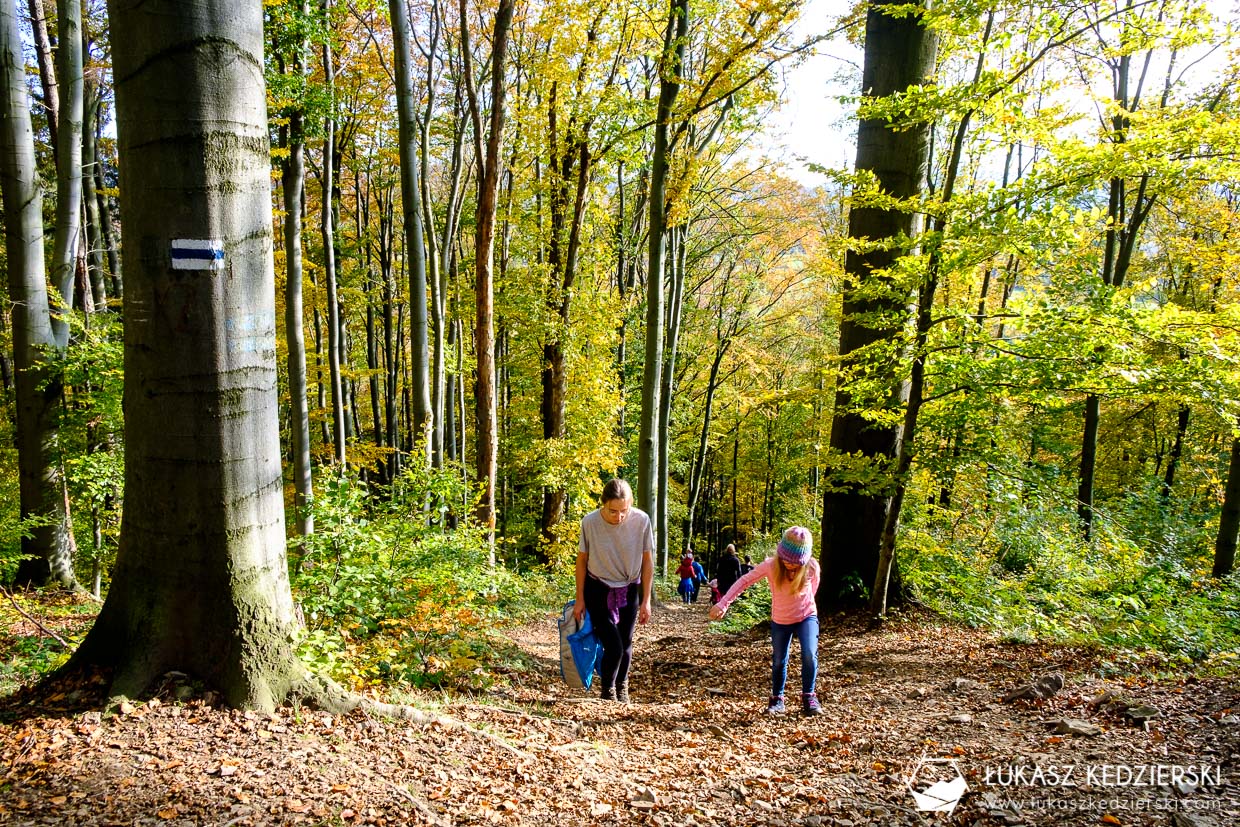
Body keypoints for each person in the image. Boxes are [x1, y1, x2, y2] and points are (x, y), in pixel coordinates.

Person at [708, 526, 822, 716]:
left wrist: (806, 608)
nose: (790, 566)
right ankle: (777, 699)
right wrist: (723, 603)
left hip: (807, 616)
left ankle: (809, 696)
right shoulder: (771, 565)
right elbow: (744, 581)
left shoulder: (812, 567)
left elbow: (813, 590)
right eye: (786, 560)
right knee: (779, 660)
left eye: (795, 563)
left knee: (809, 654)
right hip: (780, 619)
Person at [575, 479, 654, 703]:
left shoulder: (641, 521)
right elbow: (582, 561)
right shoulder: (589, 522)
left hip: (629, 588)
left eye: (624, 511)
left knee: (626, 641)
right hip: (597, 588)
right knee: (614, 644)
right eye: (613, 511)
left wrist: (646, 599)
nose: (618, 517)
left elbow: (648, 561)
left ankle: (622, 687)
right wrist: (580, 599)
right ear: (603, 504)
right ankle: (607, 690)